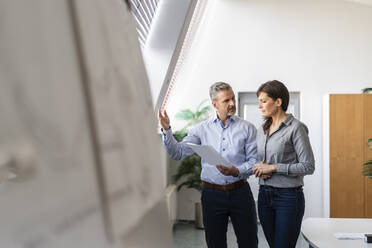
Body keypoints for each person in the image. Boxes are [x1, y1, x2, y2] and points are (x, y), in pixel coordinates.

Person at [158, 82, 259, 248]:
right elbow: (178, 153)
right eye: (226, 100)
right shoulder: (200, 130)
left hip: (240, 193)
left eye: (232, 98)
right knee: (215, 243)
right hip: (212, 195)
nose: (232, 103)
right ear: (215, 104)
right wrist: (167, 129)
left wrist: (236, 170)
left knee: (249, 242)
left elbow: (254, 161)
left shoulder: (247, 128)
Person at [252, 80, 315, 248]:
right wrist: (260, 169)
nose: (260, 106)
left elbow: (308, 166)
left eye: (263, 101)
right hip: (264, 195)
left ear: (278, 102)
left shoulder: (296, 128)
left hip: (288, 198)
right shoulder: (262, 129)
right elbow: (261, 161)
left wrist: (273, 168)